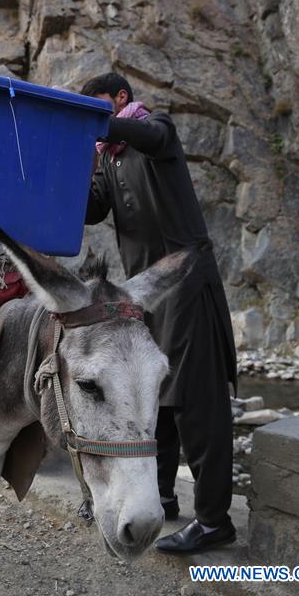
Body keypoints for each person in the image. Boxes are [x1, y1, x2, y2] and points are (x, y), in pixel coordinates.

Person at [80, 72, 238, 554]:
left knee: (198, 401)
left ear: (121, 100)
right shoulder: (109, 162)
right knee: (157, 395)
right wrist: (78, 161)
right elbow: (90, 210)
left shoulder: (153, 129)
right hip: (146, 293)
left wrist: (103, 127)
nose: (95, 117)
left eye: (98, 107)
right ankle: (164, 495)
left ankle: (214, 521)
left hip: (187, 281)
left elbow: (154, 137)